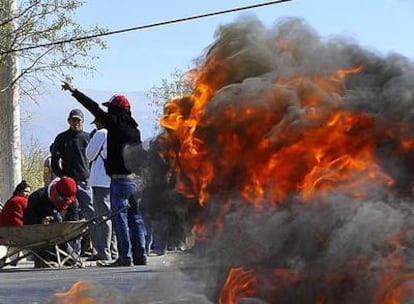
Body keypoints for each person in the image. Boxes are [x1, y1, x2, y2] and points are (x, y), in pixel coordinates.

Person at [61, 81, 147, 267]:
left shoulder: (113, 125)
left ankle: (125, 257)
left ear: (116, 111)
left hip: (119, 181)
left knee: (120, 219)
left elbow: (92, 107)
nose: (108, 112)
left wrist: (74, 91)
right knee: (136, 218)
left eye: (111, 109)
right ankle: (140, 255)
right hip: (136, 181)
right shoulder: (135, 131)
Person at [51, 108, 94, 256]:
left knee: (90, 216)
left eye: (78, 120)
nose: (76, 122)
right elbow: (55, 161)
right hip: (68, 185)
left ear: (82, 122)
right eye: (73, 120)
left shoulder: (88, 138)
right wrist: (62, 177)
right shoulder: (61, 138)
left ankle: (88, 248)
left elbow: (93, 159)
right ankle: (71, 251)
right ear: (69, 121)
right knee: (70, 218)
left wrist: (91, 176)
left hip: (85, 182)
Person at [23, 176, 79, 268]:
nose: (65, 202)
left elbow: (73, 219)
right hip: (41, 237)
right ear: (55, 192)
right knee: (44, 263)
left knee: (73, 262)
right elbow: (26, 219)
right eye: (62, 199)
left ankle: (65, 257)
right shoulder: (37, 198)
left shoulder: (72, 200)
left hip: (61, 238)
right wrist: (40, 220)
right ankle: (43, 258)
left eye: (67, 201)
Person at [85, 118, 118, 262]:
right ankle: (114, 250)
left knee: (103, 216)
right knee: (114, 215)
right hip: (116, 179)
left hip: (101, 179)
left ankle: (104, 251)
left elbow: (89, 154)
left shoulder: (101, 133)